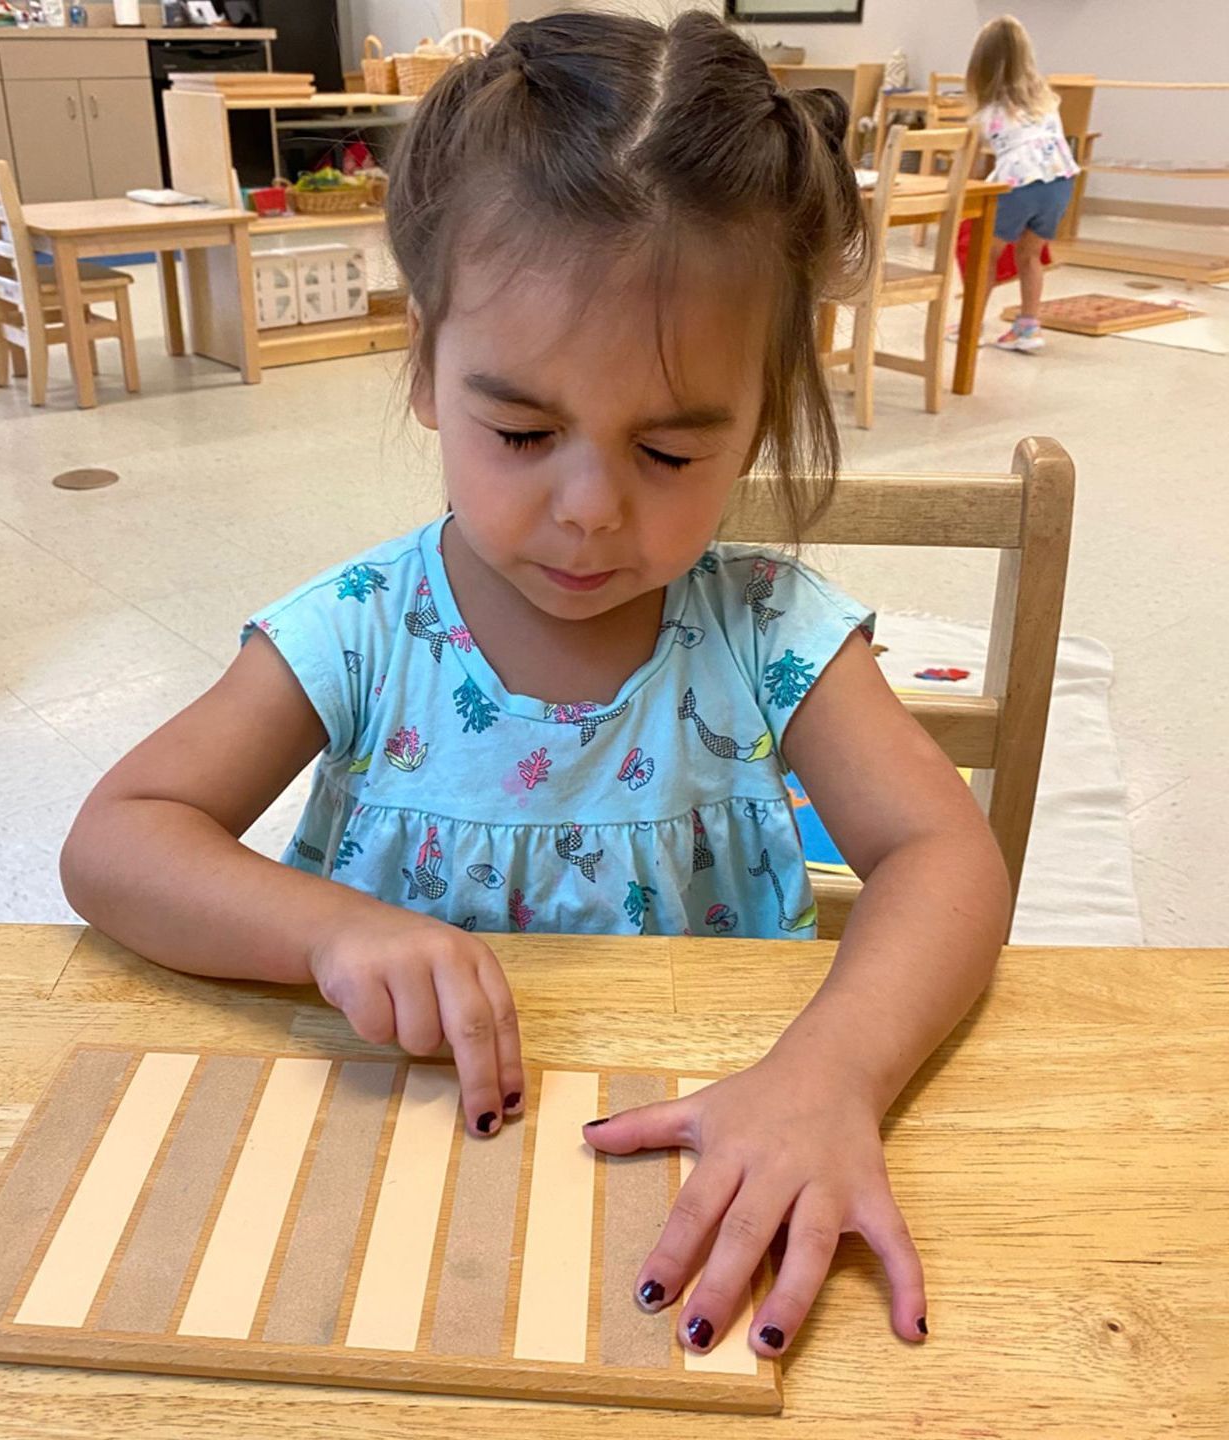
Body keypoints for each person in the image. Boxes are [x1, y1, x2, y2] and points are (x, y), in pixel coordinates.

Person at [61, 11, 1010, 1365]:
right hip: (388, 1193)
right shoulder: (366, 627)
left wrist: (831, 1074)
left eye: (673, 452)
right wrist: (330, 932)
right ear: (426, 369)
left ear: (762, 413)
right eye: (523, 432)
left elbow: (947, 857)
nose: (587, 513)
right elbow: (117, 836)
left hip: (699, 1179)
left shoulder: (765, 630)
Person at [966, 14, 1081, 352]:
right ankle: (1028, 327)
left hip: (1019, 182)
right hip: (1060, 179)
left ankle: (971, 327)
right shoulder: (1047, 102)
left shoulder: (989, 111)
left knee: (985, 256)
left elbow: (974, 165)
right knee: (1030, 255)